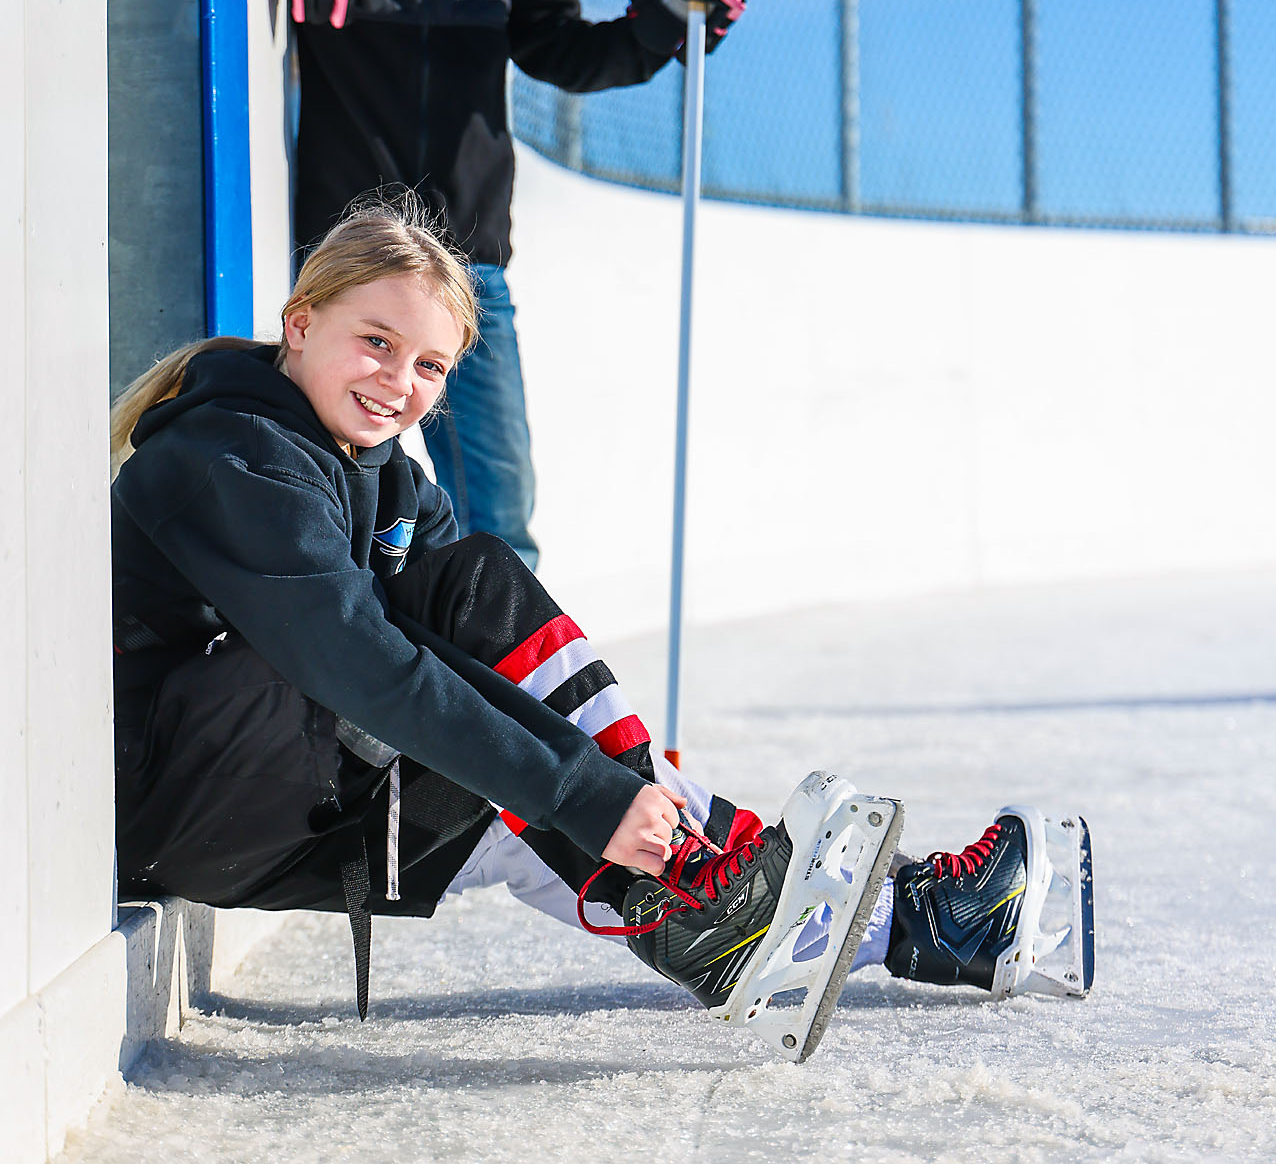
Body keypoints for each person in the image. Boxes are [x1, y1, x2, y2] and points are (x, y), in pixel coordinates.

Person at [110, 199, 1094, 1064]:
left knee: (515, 768)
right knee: (512, 737)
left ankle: (883, 918)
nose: (397, 381)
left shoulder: (379, 472)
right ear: (300, 321)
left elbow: (485, 658)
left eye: (428, 365)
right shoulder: (233, 456)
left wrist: (598, 798)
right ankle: (718, 890)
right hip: (175, 802)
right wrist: (590, 794)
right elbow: (358, 662)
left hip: (251, 792)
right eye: (375, 341)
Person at [215, 0, 754, 573]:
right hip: (345, 269)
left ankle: (507, 693)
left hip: (470, 274)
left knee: (499, 515)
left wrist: (668, 16)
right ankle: (335, 678)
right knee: (321, 488)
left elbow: (574, 55)